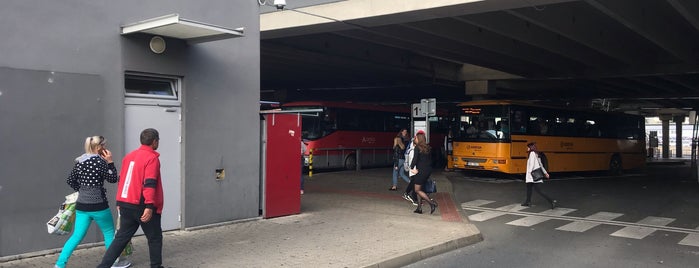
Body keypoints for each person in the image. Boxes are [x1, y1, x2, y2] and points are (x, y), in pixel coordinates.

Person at [55, 136, 131, 268]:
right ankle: (112, 263)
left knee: (76, 236)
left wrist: (83, 190)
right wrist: (110, 162)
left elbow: (70, 180)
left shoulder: (80, 161)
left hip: (82, 206)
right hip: (99, 205)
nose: (106, 148)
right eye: (104, 145)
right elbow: (113, 178)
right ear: (99, 147)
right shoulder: (100, 162)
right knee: (108, 233)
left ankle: (60, 264)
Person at [98, 128, 164, 268]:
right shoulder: (152, 158)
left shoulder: (129, 156)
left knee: (121, 238)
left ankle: (103, 266)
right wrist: (149, 206)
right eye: (158, 141)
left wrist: (119, 201)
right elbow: (150, 183)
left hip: (126, 204)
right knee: (155, 238)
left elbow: (122, 180)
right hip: (142, 205)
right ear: (154, 141)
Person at [409, 130, 438, 214]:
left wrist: (411, 168)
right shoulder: (428, 147)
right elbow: (430, 160)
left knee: (417, 190)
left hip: (420, 171)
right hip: (427, 170)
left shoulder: (417, 148)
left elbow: (414, 160)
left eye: (416, 138)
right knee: (420, 189)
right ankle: (419, 208)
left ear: (419, 139)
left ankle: (431, 203)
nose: (415, 139)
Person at [522, 142, 557, 209]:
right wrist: (545, 173)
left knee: (539, 190)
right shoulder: (536, 154)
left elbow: (531, 165)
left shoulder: (532, 154)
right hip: (532, 176)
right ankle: (527, 201)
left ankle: (552, 201)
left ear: (531, 148)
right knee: (529, 189)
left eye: (528, 147)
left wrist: (529, 173)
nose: (527, 148)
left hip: (532, 176)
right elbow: (541, 165)